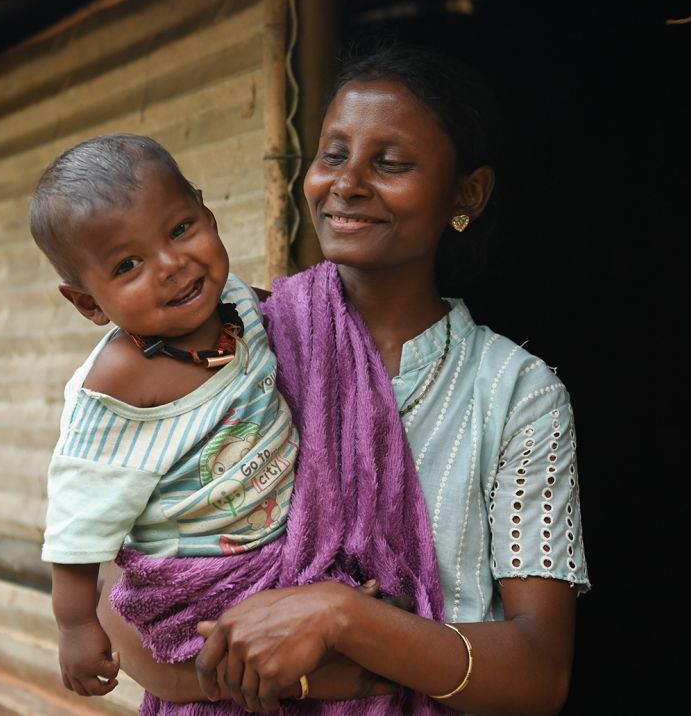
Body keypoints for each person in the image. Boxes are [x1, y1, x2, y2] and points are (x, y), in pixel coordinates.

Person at [95, 43, 591, 715]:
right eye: (333, 155)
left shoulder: (514, 392)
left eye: (390, 163)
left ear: (466, 194)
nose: (348, 183)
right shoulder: (228, 351)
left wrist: (339, 617)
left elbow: (536, 676)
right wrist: (354, 676)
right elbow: (129, 620)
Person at [29, 134, 303, 698]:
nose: (172, 265)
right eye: (128, 264)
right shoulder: (117, 382)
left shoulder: (241, 303)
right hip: (197, 580)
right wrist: (77, 625)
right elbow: (79, 521)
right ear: (89, 303)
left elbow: (303, 323)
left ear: (207, 211)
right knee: (239, 676)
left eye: (181, 229)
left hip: (286, 551)